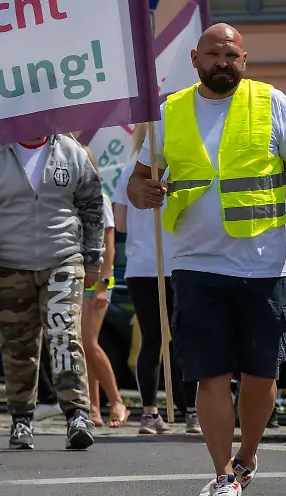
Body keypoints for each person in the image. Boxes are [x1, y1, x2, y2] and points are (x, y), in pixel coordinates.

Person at [126, 23, 286, 496]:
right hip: (195, 265)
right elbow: (136, 182)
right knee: (209, 374)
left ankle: (248, 454)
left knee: (261, 376)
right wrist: (143, 192)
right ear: (195, 59)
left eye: (232, 55)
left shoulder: (271, 102)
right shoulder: (167, 112)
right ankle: (223, 475)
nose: (223, 62)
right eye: (214, 54)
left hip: (262, 266)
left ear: (244, 60)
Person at [0, 133, 101, 451]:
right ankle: (22, 419)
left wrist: (93, 259)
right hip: (9, 265)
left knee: (64, 335)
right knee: (18, 347)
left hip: (63, 259)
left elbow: (93, 206)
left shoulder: (72, 152)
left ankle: (78, 416)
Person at [111, 125, 201, 435]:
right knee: (183, 339)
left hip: (140, 266)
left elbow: (120, 224)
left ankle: (149, 412)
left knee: (152, 340)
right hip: (177, 264)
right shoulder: (178, 170)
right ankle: (192, 412)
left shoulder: (127, 173)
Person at [79, 146, 127, 429]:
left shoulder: (100, 198)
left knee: (89, 342)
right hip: (77, 279)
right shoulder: (72, 199)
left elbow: (110, 246)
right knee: (83, 346)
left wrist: (104, 284)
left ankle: (116, 400)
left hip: (97, 281)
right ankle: (93, 407)